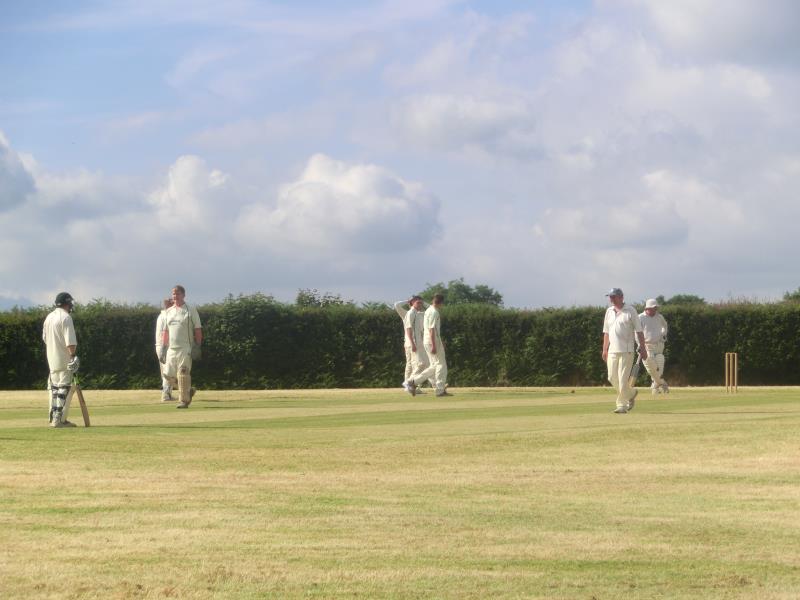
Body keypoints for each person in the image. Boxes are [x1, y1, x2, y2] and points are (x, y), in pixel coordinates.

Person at [601, 288, 647, 414]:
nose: (611, 299)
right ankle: (631, 393)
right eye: (610, 297)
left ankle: (621, 405)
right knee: (611, 377)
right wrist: (604, 349)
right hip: (612, 350)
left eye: (613, 296)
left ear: (621, 297)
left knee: (622, 380)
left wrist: (643, 348)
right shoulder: (609, 311)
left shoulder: (630, 310)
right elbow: (606, 332)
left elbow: (639, 331)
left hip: (627, 351)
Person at [160, 285, 202, 409]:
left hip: (185, 348)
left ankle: (184, 401)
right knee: (167, 375)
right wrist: (163, 347)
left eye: (178, 293)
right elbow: (165, 331)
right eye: (173, 294)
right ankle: (188, 391)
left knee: (183, 373)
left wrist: (197, 345)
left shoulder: (190, 310)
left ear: (184, 295)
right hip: (171, 349)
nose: (175, 296)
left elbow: (198, 329)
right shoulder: (168, 311)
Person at [42, 292, 80, 427]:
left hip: (52, 360)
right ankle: (58, 420)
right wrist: (73, 356)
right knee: (64, 389)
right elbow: (70, 342)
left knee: (54, 389)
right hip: (64, 359)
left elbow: (45, 339)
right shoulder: (66, 317)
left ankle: (53, 418)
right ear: (67, 303)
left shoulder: (49, 317)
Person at [405, 293, 451, 397]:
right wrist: (434, 344)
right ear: (441, 303)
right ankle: (440, 390)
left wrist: (438, 341)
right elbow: (431, 329)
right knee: (441, 365)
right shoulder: (434, 312)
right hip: (432, 341)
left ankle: (413, 382)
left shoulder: (428, 310)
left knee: (434, 366)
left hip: (427, 341)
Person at [639, 298, 669, 394]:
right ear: (647, 308)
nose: (655, 310)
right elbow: (636, 332)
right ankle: (661, 383)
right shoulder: (640, 317)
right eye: (653, 308)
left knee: (660, 361)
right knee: (650, 363)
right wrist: (640, 345)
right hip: (647, 345)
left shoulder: (659, 317)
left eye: (656, 308)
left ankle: (655, 386)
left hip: (659, 345)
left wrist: (663, 334)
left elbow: (665, 325)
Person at [155, 297, 174, 401]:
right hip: (165, 346)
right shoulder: (166, 316)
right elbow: (164, 333)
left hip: (161, 346)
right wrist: (163, 348)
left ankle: (168, 394)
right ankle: (166, 395)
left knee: (166, 372)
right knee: (168, 371)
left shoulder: (161, 315)